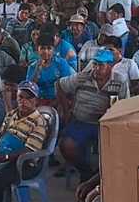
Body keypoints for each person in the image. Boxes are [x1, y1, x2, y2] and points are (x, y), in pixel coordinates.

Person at [55, 49, 129, 180]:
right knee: (66, 145)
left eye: (101, 65)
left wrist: (110, 111)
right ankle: (86, 171)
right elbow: (59, 85)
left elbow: (125, 105)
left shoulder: (120, 80)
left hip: (106, 124)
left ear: (110, 66)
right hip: (81, 121)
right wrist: (66, 111)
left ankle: (102, 176)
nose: (96, 68)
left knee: (117, 148)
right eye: (94, 64)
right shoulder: (82, 77)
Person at [25, 34, 75, 106]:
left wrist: (58, 101)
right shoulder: (32, 67)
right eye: (42, 48)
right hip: (40, 99)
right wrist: (37, 70)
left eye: (49, 48)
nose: (45, 52)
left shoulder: (61, 62)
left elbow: (67, 84)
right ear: (37, 49)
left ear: (53, 50)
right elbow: (29, 88)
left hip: (59, 99)